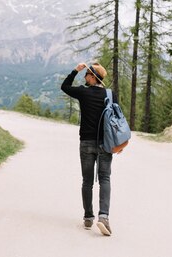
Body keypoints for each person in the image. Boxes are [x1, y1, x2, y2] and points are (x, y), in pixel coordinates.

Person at [60, 62, 116, 236]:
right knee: (105, 178)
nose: (85, 77)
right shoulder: (110, 94)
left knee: (87, 181)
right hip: (105, 144)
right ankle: (104, 217)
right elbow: (116, 118)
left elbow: (65, 86)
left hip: (86, 143)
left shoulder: (84, 93)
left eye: (86, 74)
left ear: (92, 77)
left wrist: (75, 70)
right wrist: (117, 144)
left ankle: (88, 217)